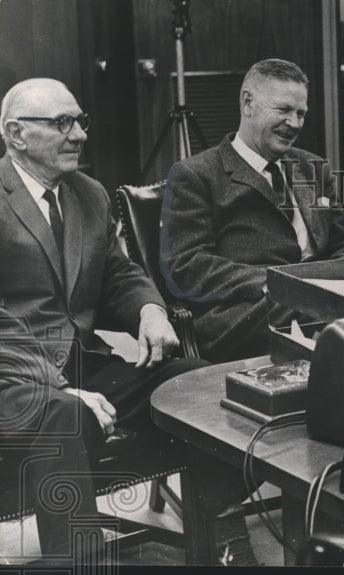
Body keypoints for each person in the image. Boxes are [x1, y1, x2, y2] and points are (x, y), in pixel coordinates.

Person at [0, 78, 258, 565]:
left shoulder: (88, 194)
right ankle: (81, 562)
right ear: (16, 134)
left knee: (196, 380)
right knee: (64, 416)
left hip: (85, 364)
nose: (78, 134)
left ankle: (222, 535)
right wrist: (58, 387)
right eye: (61, 123)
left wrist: (150, 310)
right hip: (15, 377)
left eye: (80, 121)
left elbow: (117, 272)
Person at [161, 59, 344, 362]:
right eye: (284, 110)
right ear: (248, 103)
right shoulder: (196, 174)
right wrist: (278, 284)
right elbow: (185, 265)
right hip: (245, 311)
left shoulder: (312, 167)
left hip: (319, 298)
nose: (295, 123)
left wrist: (328, 279)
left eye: (301, 114)